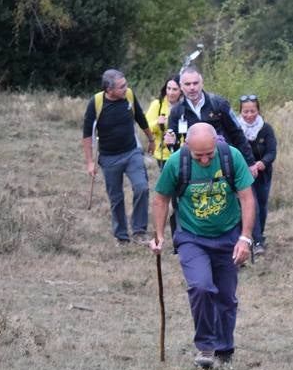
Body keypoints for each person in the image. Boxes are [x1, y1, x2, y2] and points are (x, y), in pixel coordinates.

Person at [149, 123, 255, 370]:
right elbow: (161, 198)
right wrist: (159, 235)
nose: (206, 160)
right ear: (187, 147)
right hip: (191, 236)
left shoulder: (231, 157)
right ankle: (206, 346)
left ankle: (225, 347)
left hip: (228, 235)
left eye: (210, 154)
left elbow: (247, 198)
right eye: (199, 156)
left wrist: (245, 238)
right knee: (201, 287)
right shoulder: (177, 162)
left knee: (226, 296)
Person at [81, 69, 156, 246]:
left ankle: (139, 232)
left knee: (142, 188)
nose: (126, 88)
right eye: (122, 87)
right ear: (109, 90)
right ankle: (122, 236)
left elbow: (140, 117)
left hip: (132, 152)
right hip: (109, 158)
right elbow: (87, 134)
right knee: (116, 198)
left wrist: (151, 139)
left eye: (126, 84)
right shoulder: (96, 103)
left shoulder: (129, 96)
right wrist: (90, 162)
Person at [167, 67, 258, 175]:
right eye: (187, 84)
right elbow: (174, 146)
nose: (192, 87)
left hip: (224, 161)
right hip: (195, 165)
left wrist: (250, 163)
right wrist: (170, 142)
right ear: (181, 87)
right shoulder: (176, 111)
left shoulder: (219, 103)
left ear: (202, 84)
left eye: (195, 83)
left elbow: (237, 133)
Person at [238, 94, 277, 254]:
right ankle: (256, 241)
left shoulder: (266, 128)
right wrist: (247, 166)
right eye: (245, 112)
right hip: (244, 174)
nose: (249, 115)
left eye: (252, 111)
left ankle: (259, 234)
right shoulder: (236, 129)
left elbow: (272, 151)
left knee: (262, 205)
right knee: (251, 205)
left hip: (263, 173)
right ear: (240, 112)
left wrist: (261, 164)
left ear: (258, 110)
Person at [144, 74, 183, 168]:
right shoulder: (157, 104)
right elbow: (146, 127)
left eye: (174, 89)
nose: (170, 92)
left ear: (181, 91)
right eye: (168, 88)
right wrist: (157, 123)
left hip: (183, 153)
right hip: (163, 155)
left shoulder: (186, 106)